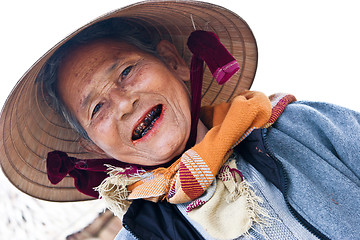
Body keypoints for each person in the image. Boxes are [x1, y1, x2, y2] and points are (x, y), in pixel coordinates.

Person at [0, 1, 359, 240]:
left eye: (126, 71)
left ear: (173, 62)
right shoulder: (143, 232)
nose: (124, 104)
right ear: (92, 147)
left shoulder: (303, 129)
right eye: (96, 108)